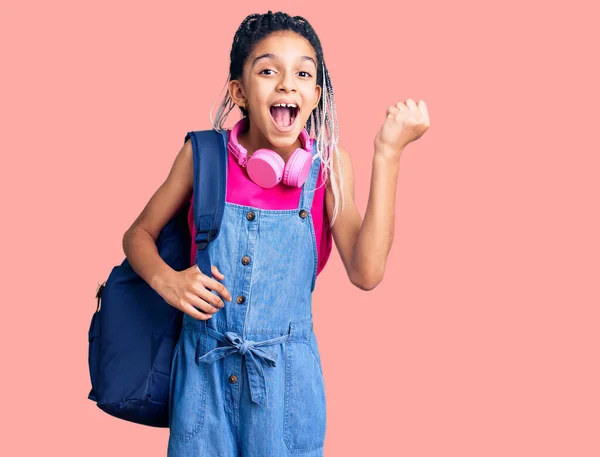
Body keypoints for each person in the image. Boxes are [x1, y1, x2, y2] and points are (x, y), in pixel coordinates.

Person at [122, 10, 430, 457]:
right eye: (268, 70)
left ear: (316, 94)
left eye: (303, 73)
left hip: (287, 389)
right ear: (239, 91)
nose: (287, 84)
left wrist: (388, 153)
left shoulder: (328, 169)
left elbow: (366, 272)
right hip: (202, 381)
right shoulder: (203, 156)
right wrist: (167, 280)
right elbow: (137, 235)